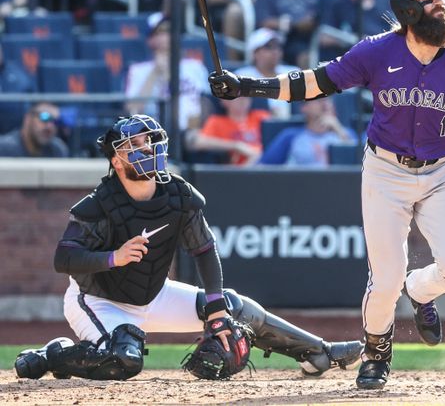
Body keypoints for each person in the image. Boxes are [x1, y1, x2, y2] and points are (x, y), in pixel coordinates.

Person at [208, 0, 445, 390]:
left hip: (441, 172)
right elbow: (316, 82)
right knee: (384, 278)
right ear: (408, 11)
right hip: (385, 171)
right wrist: (248, 86)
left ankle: (420, 290)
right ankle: (377, 353)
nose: (443, 6)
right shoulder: (376, 52)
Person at [13, 114, 362, 381]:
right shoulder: (100, 204)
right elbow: (64, 258)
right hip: (99, 301)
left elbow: (204, 251)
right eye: (136, 146)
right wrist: (113, 257)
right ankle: (55, 354)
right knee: (124, 359)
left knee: (233, 306)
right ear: (117, 161)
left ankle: (319, 352)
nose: (147, 149)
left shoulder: (177, 195)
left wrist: (215, 308)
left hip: (153, 293)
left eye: (149, 141)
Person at [124, 13, 209, 132]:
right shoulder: (138, 70)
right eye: (162, 32)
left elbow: (206, 104)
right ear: (150, 39)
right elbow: (133, 111)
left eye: (171, 31)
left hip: (193, 132)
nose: (168, 36)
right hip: (155, 133)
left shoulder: (195, 66)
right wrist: (155, 72)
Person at [259, 97, 357, 166]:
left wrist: (338, 130)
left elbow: (362, 166)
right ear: (304, 107)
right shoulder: (290, 136)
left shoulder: (346, 133)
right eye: (319, 99)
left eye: (327, 99)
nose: (325, 103)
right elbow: (263, 167)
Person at [235, 28, 297, 119]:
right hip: (257, 128)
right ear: (255, 53)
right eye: (268, 47)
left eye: (277, 46)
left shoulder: (293, 72)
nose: (275, 51)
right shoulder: (242, 76)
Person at [190, 96, 269, 165]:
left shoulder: (261, 116)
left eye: (246, 96)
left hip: (268, 163)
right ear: (224, 101)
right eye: (237, 97)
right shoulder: (216, 121)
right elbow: (199, 142)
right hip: (237, 170)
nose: (243, 100)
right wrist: (236, 146)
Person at [0, 102, 69, 157]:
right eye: (45, 118)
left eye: (55, 121)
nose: (50, 126)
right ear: (28, 119)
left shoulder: (57, 150)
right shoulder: (4, 148)